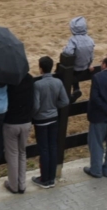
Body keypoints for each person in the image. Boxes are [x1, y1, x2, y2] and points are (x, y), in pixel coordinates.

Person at [31, 56, 70, 188]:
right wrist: (53, 106)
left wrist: (34, 115)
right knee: (53, 147)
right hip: (53, 119)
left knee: (44, 149)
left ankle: (44, 179)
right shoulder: (58, 82)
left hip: (41, 121)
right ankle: (51, 178)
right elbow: (65, 101)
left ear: (41, 68)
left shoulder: (37, 85)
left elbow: (35, 106)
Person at [3, 72, 34, 194]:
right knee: (22, 153)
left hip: (11, 122)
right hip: (26, 122)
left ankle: (13, 185)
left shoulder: (9, 81)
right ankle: (22, 184)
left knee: (12, 154)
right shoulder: (30, 79)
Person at [61, 16, 95, 97]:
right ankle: (76, 89)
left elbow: (68, 52)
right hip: (86, 66)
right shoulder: (90, 39)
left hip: (75, 68)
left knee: (66, 66)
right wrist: (89, 63)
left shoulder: (73, 40)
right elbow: (91, 54)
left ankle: (75, 89)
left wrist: (64, 49)